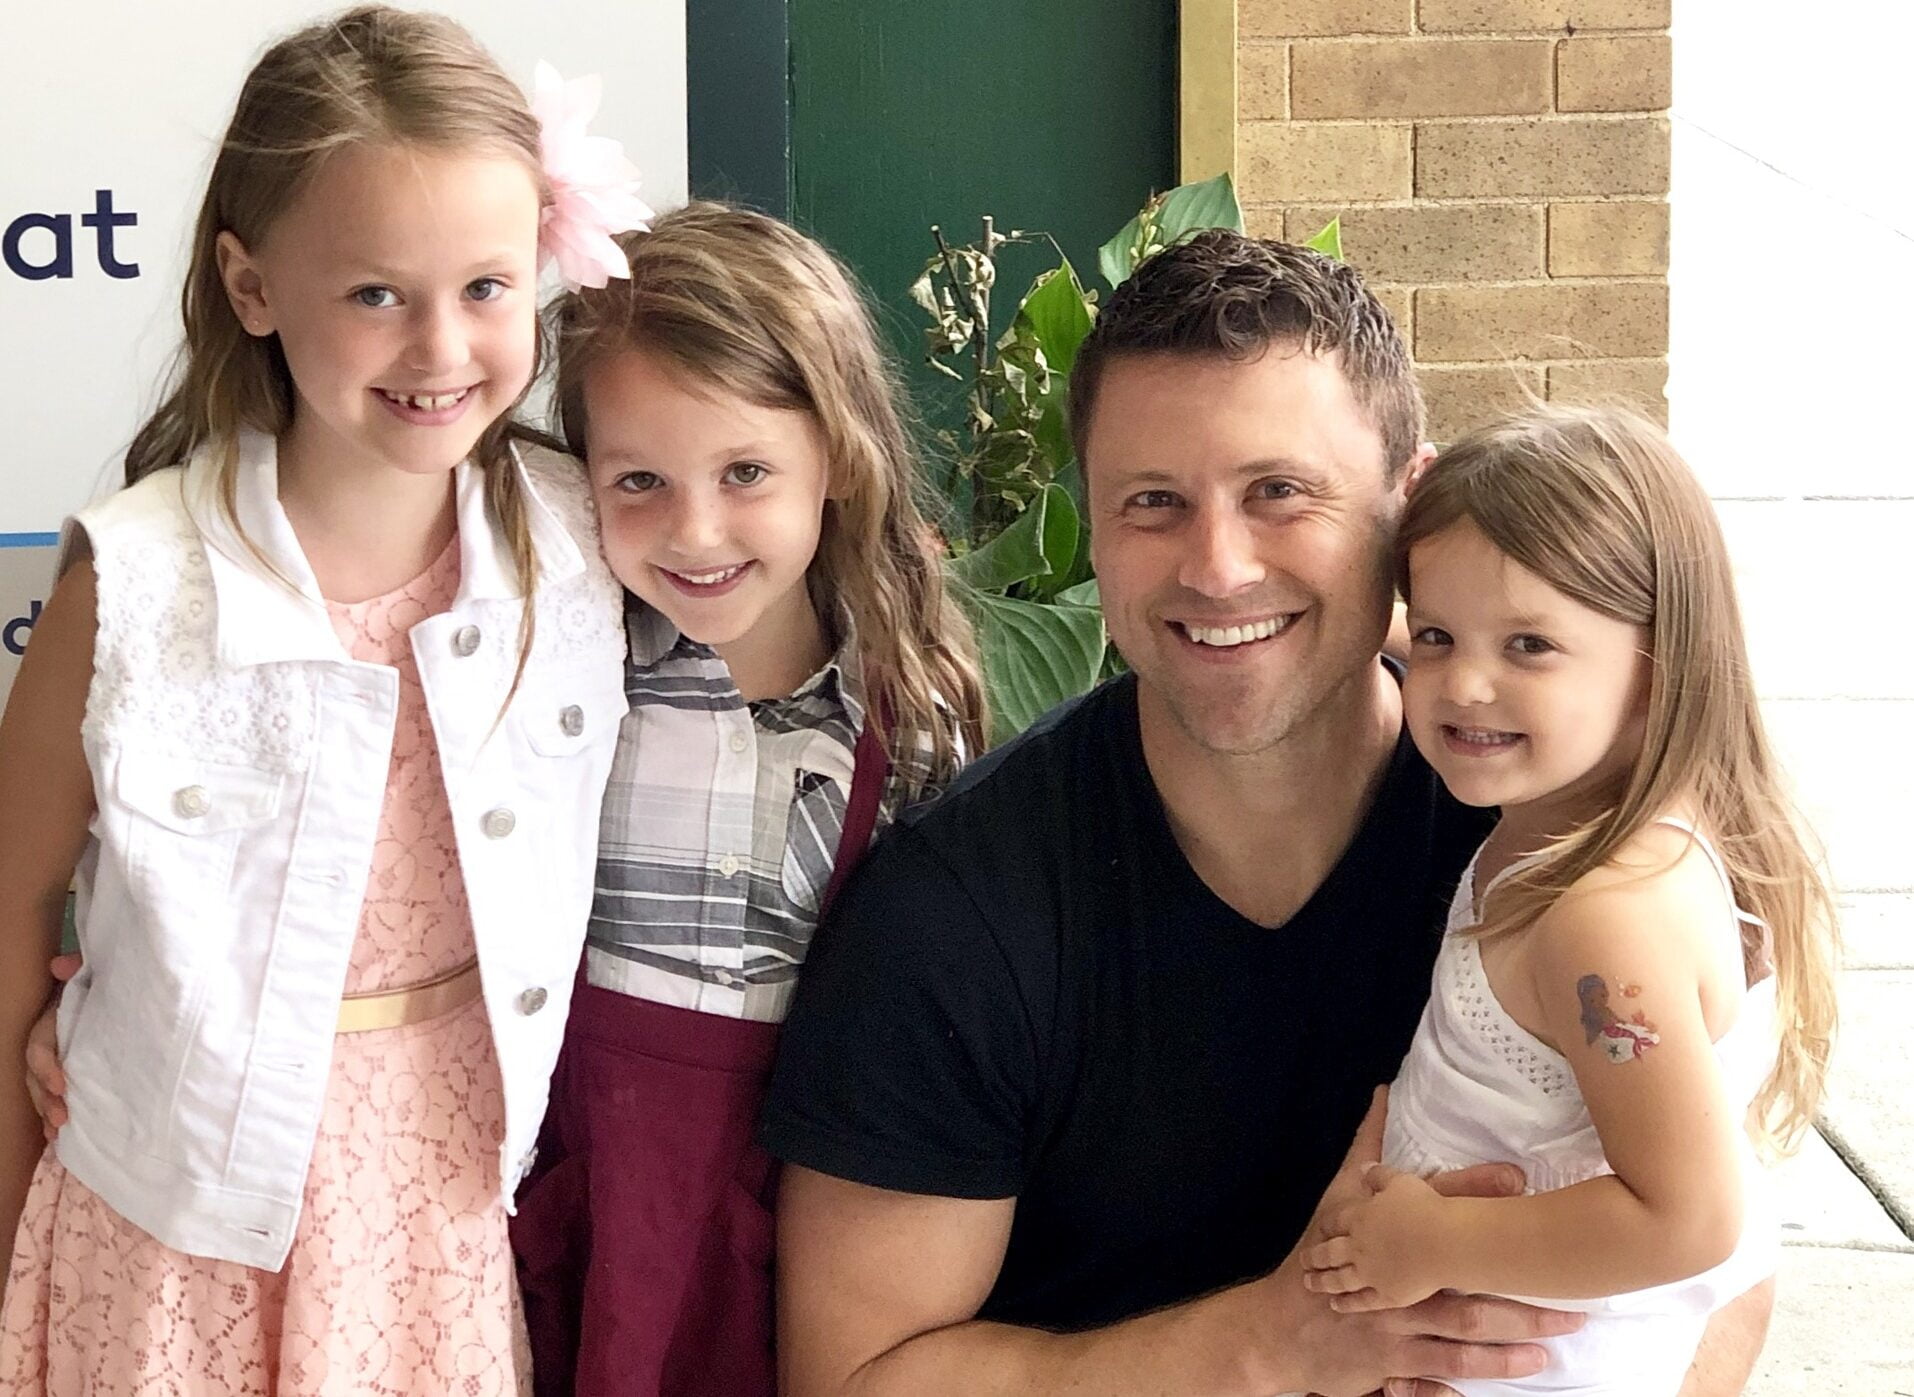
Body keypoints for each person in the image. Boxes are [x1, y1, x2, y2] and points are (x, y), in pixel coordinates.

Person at [757, 231, 1774, 1396]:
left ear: (1409, 507)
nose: (1220, 565)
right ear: (1089, 520)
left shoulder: (1559, 828)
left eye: (1280, 492)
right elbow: (854, 1380)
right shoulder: (959, 920)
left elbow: (1729, 1270)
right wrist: (1269, 1344)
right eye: (1152, 502)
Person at [0, 10, 644, 1391]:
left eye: (487, 285)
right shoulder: (132, 583)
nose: (440, 346)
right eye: (374, 294)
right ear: (250, 285)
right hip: (166, 1233)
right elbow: (7, 914)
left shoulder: (586, 542)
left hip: (437, 1216)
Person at [509, 203, 986, 1397]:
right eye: (640, 480)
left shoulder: (913, 710)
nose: (696, 528)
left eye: (747, 471)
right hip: (576, 1194)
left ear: (838, 455)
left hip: (791, 1218)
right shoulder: (560, 675)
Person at [1299, 405, 1837, 1396]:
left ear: (1656, 658)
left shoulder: (1604, 922)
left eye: (1530, 646)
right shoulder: (1619, 807)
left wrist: (1433, 1238)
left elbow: (1688, 1214)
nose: (1463, 682)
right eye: (1437, 634)